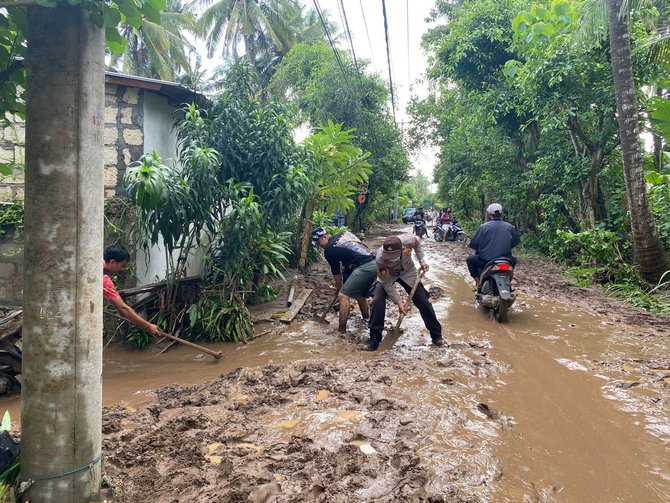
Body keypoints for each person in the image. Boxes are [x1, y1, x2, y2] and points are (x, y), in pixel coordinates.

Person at [366, 234, 445, 351]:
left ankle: (436, 336)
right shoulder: (380, 259)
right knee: (377, 301)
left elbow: (418, 243)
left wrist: (421, 260)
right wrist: (399, 302)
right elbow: (386, 282)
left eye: (393, 256)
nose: (389, 258)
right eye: (388, 256)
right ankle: (374, 339)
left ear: (402, 249)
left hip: (408, 272)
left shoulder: (409, 240)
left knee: (423, 301)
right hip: (389, 275)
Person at [311, 227, 377, 332]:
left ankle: (341, 331)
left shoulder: (329, 250)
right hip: (373, 263)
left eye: (319, 243)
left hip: (363, 267)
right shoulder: (344, 233)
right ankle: (366, 319)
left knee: (343, 296)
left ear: (324, 237)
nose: (320, 247)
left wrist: (339, 288)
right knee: (360, 295)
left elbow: (336, 272)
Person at [104, 245, 161, 336]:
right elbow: (123, 308)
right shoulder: (104, 280)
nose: (122, 269)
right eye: (122, 265)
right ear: (113, 262)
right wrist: (148, 325)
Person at [466, 203, 520, 291]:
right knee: (514, 260)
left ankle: (478, 282)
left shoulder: (484, 227)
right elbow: (515, 241)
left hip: (487, 260)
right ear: (501, 213)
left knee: (470, 260)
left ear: (489, 214)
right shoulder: (509, 227)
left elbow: (474, 244)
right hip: (506, 259)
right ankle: (508, 281)